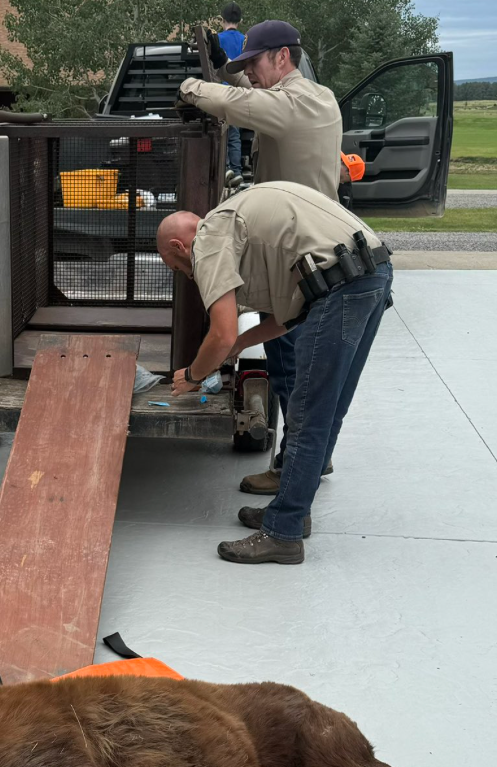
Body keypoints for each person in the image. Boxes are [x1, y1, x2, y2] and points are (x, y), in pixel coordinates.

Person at [156, 184, 393, 566]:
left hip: (342, 287)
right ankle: (293, 513)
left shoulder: (210, 236)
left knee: (308, 416)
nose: (187, 276)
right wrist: (236, 347)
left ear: (178, 247)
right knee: (327, 411)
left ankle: (282, 534)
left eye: (178, 269)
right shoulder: (246, 227)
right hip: (370, 273)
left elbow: (221, 331)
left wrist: (194, 374)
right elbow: (286, 318)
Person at [178, 20, 344, 497]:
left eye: (254, 63)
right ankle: (312, 454)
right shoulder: (309, 97)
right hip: (302, 247)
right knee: (292, 359)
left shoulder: (300, 102)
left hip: (303, 257)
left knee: (293, 366)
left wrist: (191, 86)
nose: (249, 73)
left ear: (282, 57)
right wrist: (228, 66)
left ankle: (297, 463)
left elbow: (240, 102)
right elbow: (248, 90)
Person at [217, 4, 245, 180]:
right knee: (235, 135)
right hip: (240, 91)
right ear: (240, 21)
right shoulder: (245, 40)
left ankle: (224, 169)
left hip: (221, 92)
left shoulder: (217, 40)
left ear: (222, 21)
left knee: (221, 134)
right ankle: (237, 171)